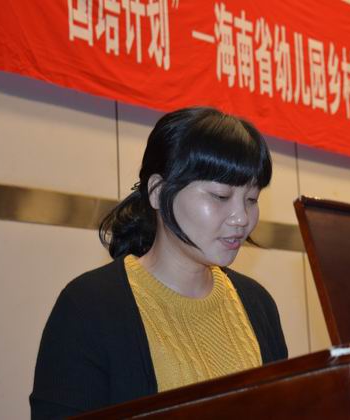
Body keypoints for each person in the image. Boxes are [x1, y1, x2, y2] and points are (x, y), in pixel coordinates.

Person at [30, 107, 288, 418]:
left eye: (251, 199)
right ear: (157, 191)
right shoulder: (89, 307)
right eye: (220, 196)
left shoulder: (257, 304)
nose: (241, 218)